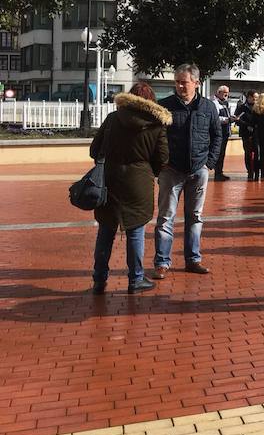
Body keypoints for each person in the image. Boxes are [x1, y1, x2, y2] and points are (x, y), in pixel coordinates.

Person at [90, 82, 170, 294]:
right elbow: (162, 158)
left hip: (109, 180)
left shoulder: (113, 119)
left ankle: (99, 279)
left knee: (105, 231)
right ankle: (136, 279)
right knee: (136, 232)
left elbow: (94, 149)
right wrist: (147, 170)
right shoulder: (156, 124)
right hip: (138, 183)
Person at [152, 64, 221, 279]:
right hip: (171, 171)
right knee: (165, 217)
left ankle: (193, 259)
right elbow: (155, 138)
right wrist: (160, 165)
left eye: (185, 82)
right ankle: (162, 262)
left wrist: (209, 163)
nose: (181, 85)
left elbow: (217, 135)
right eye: (178, 82)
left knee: (195, 216)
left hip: (198, 170)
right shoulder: (164, 106)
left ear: (196, 83)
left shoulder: (208, 107)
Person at [234, 90, 258, 180]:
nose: (255, 100)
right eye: (254, 98)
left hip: (256, 133)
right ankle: (250, 172)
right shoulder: (242, 107)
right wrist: (245, 125)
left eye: (256, 98)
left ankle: (256, 171)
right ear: (249, 97)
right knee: (248, 153)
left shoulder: (258, 107)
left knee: (257, 153)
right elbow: (237, 119)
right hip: (246, 133)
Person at [213, 85, 234, 181]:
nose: (226, 95)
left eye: (227, 93)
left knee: (222, 154)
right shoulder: (215, 103)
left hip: (225, 132)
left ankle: (220, 172)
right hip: (218, 132)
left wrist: (232, 118)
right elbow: (216, 118)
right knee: (219, 153)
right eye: (224, 93)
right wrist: (228, 119)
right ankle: (217, 173)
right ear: (219, 93)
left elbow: (228, 116)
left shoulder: (226, 103)